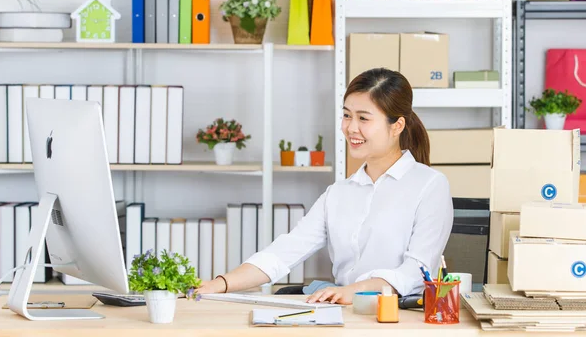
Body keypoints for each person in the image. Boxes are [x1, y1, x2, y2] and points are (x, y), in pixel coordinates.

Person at [195, 68, 454, 305]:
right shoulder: (339, 193)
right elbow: (284, 252)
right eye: (346, 115)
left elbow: (417, 270)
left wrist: (352, 290)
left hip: (398, 318)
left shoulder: (430, 186)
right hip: (342, 315)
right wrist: (221, 284)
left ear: (396, 125)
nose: (351, 128)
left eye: (364, 118)